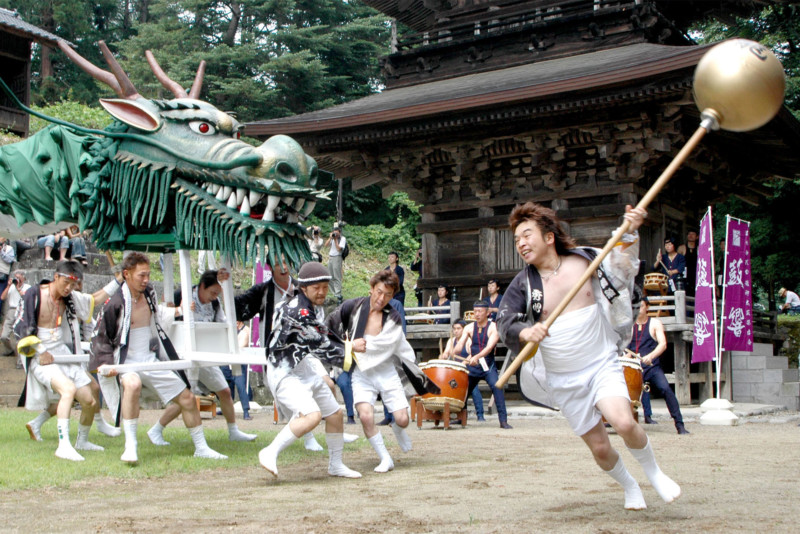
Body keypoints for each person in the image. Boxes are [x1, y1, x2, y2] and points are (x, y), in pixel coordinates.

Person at [497, 201, 680, 510]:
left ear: (549, 236)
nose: (521, 244)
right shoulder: (523, 284)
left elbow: (623, 269)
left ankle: (654, 472)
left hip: (600, 363)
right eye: (517, 240)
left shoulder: (586, 261)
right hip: (563, 378)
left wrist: (630, 231)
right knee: (600, 448)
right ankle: (629, 484)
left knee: (623, 421)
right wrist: (526, 332)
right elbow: (504, 321)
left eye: (527, 235)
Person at [91, 252, 226, 463]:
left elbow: (159, 316)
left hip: (148, 358)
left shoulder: (150, 293)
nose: (146, 280)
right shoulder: (115, 302)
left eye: (148, 275)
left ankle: (201, 447)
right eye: (141, 275)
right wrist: (106, 365)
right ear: (126, 274)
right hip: (125, 362)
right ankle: (131, 445)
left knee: (188, 398)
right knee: (133, 385)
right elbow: (102, 336)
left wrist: (179, 311)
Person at [255, 261, 360, 479]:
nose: (322, 292)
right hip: (283, 371)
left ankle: (336, 465)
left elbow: (319, 335)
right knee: (312, 416)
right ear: (303, 288)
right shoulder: (299, 311)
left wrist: (347, 347)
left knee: (335, 414)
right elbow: (321, 341)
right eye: (316, 288)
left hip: (302, 364)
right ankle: (270, 451)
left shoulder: (306, 306)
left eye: (324, 286)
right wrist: (350, 348)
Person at [326, 270, 436, 473]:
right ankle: (385, 457)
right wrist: (347, 345)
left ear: (392, 296)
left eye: (387, 295)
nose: (381, 298)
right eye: (378, 292)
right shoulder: (352, 306)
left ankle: (398, 428)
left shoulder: (393, 317)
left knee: (402, 419)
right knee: (366, 416)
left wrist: (354, 347)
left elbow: (384, 346)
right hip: (361, 372)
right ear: (371, 288)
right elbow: (328, 328)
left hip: (386, 370)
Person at [14, 260, 122, 461]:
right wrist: (39, 350)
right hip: (40, 357)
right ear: (56, 277)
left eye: (73, 285)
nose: (69, 288)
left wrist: (118, 280)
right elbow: (20, 329)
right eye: (66, 283)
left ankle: (82, 440)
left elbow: (94, 299)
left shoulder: (70, 298)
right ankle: (63, 445)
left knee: (90, 399)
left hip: (62, 353)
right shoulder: (34, 294)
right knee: (68, 390)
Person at [147, 269, 256, 446]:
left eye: (217, 294)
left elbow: (223, 323)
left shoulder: (215, 304)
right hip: (183, 353)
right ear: (202, 286)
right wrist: (179, 309)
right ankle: (157, 429)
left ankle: (233, 431)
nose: (214, 297)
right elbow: (162, 315)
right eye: (212, 292)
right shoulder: (181, 295)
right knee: (187, 395)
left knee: (225, 391)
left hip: (205, 352)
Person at [629, 298, 689, 434]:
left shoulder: (655, 323)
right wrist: (626, 356)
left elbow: (663, 344)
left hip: (652, 367)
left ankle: (679, 424)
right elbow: (625, 347)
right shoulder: (629, 325)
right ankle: (611, 420)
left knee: (665, 389)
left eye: (641, 306)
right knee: (622, 391)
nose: (638, 309)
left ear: (647, 308)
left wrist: (650, 356)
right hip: (634, 368)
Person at [454, 301, 511, 429]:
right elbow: (460, 344)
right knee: (463, 389)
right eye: (475, 311)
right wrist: (456, 348)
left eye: (480, 311)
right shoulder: (469, 327)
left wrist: (477, 357)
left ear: (487, 312)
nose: (477, 314)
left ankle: (503, 420)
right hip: (473, 366)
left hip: (488, 365)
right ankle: (460, 418)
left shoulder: (493, 327)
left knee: (497, 388)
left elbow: (489, 348)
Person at [442, 319, 485, 421]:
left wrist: (464, 363)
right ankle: (460, 416)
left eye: (458, 329)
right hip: (457, 371)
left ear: (463, 329)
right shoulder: (451, 341)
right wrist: (444, 355)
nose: (456, 331)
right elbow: (446, 353)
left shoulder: (469, 340)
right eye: (454, 329)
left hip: (469, 368)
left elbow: (472, 354)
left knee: (473, 390)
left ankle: (480, 415)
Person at [1, 271, 29, 362]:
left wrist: (18, 288)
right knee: (4, 336)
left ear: (23, 278)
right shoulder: (11, 287)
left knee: (20, 336)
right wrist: (9, 286)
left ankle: (20, 360)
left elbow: (26, 297)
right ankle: (9, 350)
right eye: (15, 277)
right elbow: (2, 297)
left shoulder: (28, 287)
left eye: (19, 277)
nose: (17, 279)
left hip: (22, 309)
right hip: (12, 310)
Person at [234, 320, 253, 420]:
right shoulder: (233, 330)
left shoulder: (245, 331)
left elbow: (243, 344)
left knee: (241, 385)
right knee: (227, 386)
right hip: (228, 360)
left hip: (239, 361)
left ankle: (246, 411)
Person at [325, 223, 346, 305]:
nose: (335, 234)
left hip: (337, 257)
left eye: (337, 232)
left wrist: (336, 239)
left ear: (340, 232)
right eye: (334, 232)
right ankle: (335, 293)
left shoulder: (342, 239)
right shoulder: (332, 238)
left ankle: (338, 295)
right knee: (329, 276)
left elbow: (338, 249)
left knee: (337, 276)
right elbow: (326, 245)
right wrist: (330, 238)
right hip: (330, 257)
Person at [678, 230, 698, 297]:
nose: (691, 236)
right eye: (689, 234)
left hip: (696, 275)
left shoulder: (699, 248)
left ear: (697, 237)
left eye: (693, 234)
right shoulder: (682, 248)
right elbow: (677, 262)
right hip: (685, 275)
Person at [0, 237, 16, 309]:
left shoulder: (9, 248)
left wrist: (1, 252)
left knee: (0, 298)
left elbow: (10, 260)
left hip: (2, 275)